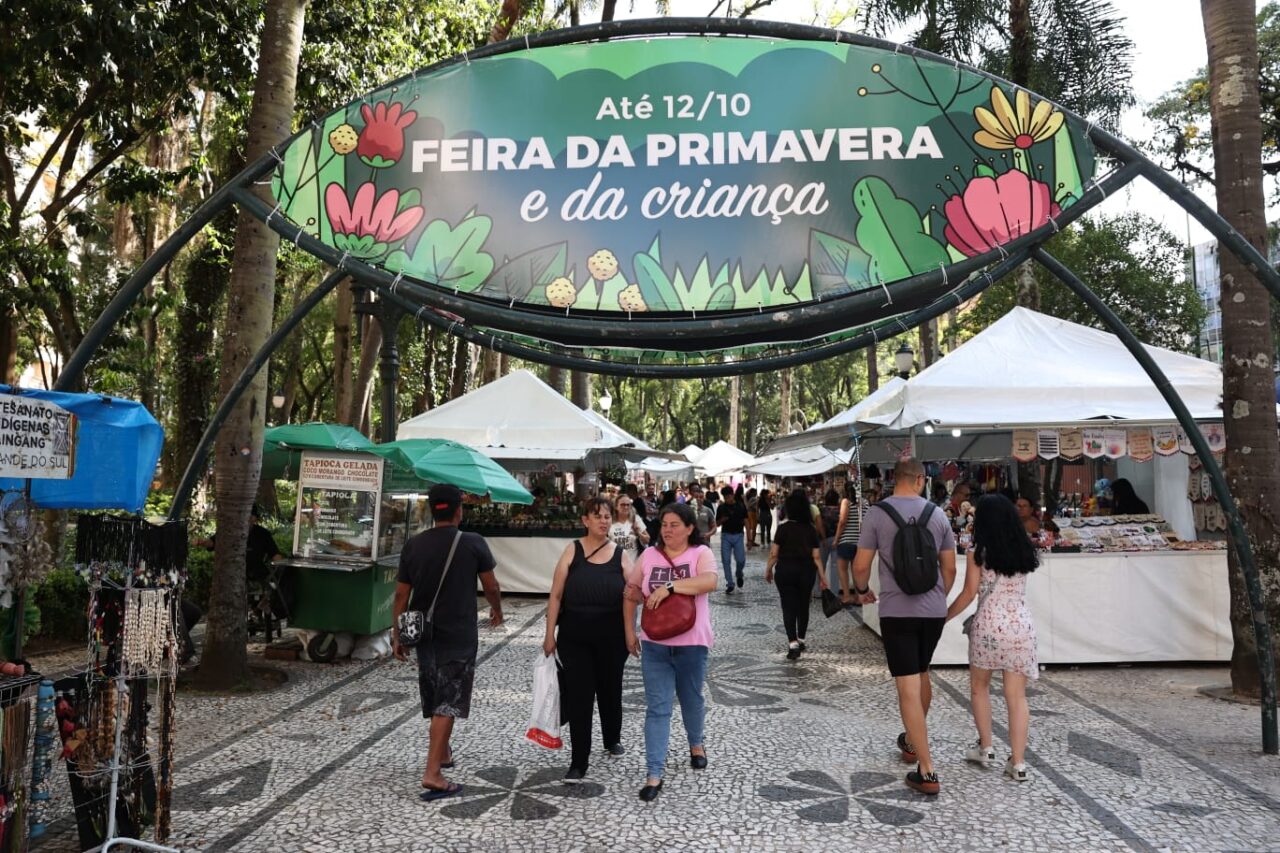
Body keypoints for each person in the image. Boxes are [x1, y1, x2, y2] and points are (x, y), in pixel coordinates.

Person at [850, 459, 957, 796]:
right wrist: (938, 599)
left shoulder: (877, 514)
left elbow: (861, 564)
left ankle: (926, 769)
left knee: (907, 686)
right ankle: (912, 740)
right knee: (922, 672)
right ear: (920, 479)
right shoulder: (937, 515)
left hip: (897, 611)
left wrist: (862, 589)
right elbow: (950, 569)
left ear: (895, 479)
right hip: (933, 612)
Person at [393, 483, 504, 802]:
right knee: (448, 701)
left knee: (433, 693)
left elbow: (401, 595)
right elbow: (491, 585)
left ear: (431, 509)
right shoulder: (473, 543)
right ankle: (433, 774)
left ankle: (442, 754)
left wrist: (396, 634)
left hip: (424, 635)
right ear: (459, 510)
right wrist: (497, 610)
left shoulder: (414, 545)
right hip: (458, 635)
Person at [623, 502, 718, 802]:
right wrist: (629, 631)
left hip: (692, 643)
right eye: (664, 524)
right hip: (655, 644)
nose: (667, 529)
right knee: (658, 707)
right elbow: (631, 591)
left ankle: (696, 744)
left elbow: (710, 581)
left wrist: (671, 587)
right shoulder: (649, 555)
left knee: (692, 698)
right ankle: (654, 773)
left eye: (674, 524)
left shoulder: (700, 554)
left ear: (690, 528)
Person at [945, 495, 1039, 783]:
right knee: (1017, 696)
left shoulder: (979, 553)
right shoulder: (1025, 550)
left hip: (987, 625)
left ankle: (985, 747)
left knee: (979, 687)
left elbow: (968, 594)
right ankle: (1019, 762)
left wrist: (943, 616)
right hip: (1020, 626)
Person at [544, 498, 632, 784]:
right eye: (597, 516)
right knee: (580, 697)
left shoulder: (621, 555)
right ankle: (578, 761)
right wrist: (548, 636)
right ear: (585, 520)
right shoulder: (572, 550)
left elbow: (634, 594)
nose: (604, 521)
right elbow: (555, 595)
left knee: (610, 690)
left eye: (607, 516)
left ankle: (612, 737)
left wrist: (633, 631)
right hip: (574, 638)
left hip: (612, 639)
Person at [764, 489, 828, 660]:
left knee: (788, 606)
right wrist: (823, 577)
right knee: (803, 606)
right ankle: (801, 639)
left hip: (785, 571)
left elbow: (774, 554)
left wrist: (768, 569)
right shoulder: (811, 530)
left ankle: (792, 644)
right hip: (806, 572)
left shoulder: (783, 529)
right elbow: (816, 557)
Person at [833, 484, 864, 605]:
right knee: (856, 570)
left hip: (846, 541)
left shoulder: (846, 502)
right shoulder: (864, 502)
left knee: (842, 569)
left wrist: (836, 539)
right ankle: (859, 597)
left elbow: (842, 522)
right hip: (860, 542)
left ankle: (846, 596)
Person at [716, 486, 748, 592]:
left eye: (729, 496)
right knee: (726, 560)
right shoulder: (721, 508)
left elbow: (746, 521)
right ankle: (730, 583)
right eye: (725, 497)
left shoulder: (740, 506)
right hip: (726, 536)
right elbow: (716, 524)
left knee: (741, 560)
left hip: (739, 535)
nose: (727, 499)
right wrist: (722, 520)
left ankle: (739, 573)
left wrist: (750, 537)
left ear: (733, 495)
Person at [818, 489, 842, 593]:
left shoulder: (821, 510)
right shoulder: (840, 510)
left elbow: (820, 525)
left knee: (820, 565)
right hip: (837, 539)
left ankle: (817, 591)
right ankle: (834, 591)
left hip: (823, 539)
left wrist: (823, 538)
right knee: (835, 566)